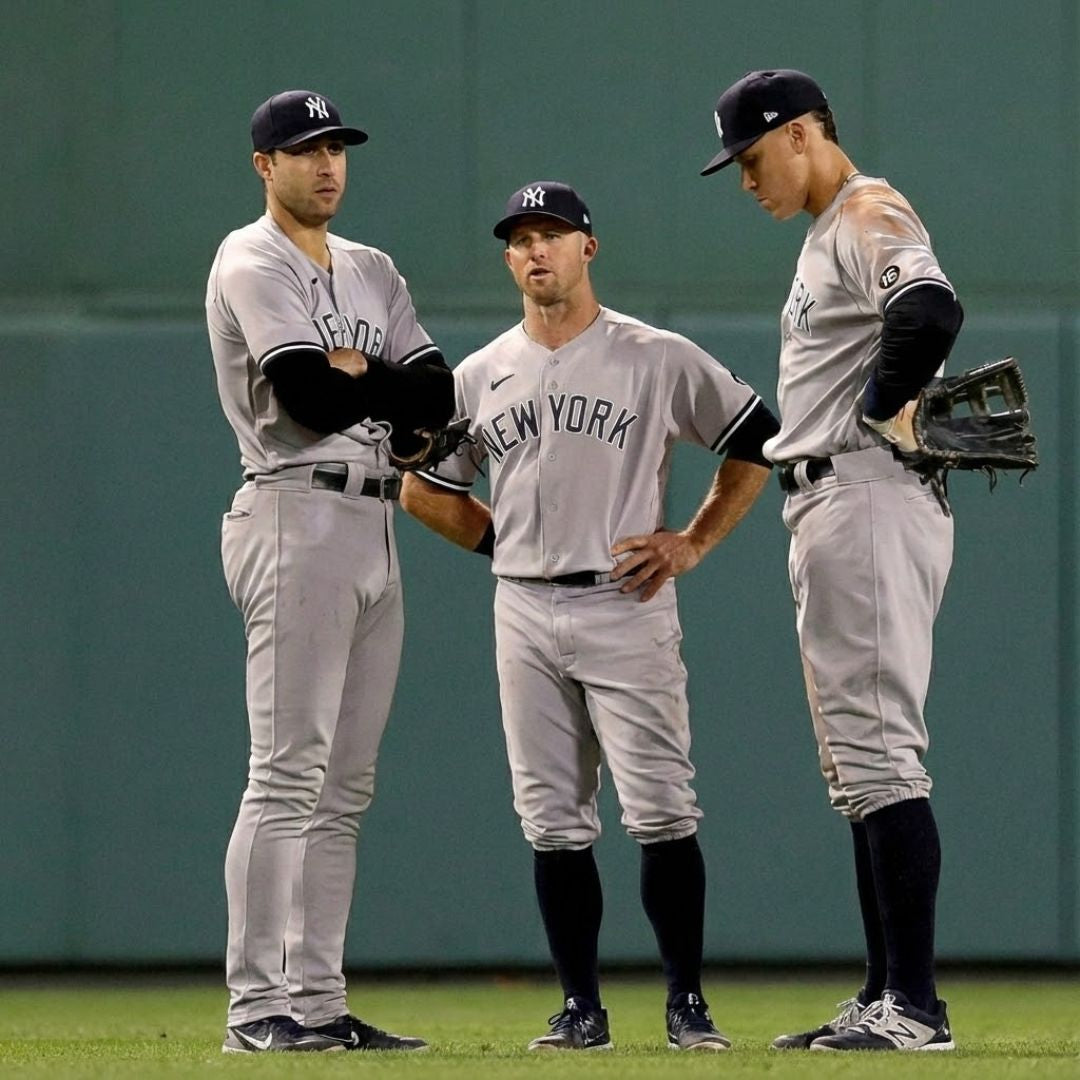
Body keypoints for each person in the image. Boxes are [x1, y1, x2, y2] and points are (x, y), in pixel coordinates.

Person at [400, 180, 779, 1052]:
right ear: (509, 259)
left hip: (625, 600)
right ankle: (581, 1009)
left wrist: (692, 541)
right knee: (551, 820)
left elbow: (757, 438)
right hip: (524, 606)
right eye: (521, 238)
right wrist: (506, 547)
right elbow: (423, 489)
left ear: (588, 247)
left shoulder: (654, 356)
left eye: (553, 233)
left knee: (662, 810)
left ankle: (687, 1004)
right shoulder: (479, 374)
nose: (537, 249)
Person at [701, 69, 963, 1052]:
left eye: (752, 157)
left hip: (865, 494)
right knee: (857, 765)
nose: (745, 180)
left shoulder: (865, 210)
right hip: (833, 501)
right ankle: (885, 990)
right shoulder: (827, 233)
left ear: (804, 133)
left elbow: (930, 310)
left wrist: (883, 406)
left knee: (882, 753)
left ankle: (915, 1008)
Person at [205, 88, 453, 1054]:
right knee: (286, 774)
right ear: (263, 165)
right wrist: (366, 385)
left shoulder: (372, 267)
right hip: (292, 510)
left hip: (375, 519)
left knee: (344, 787)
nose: (326, 165)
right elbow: (307, 398)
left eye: (337, 148)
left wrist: (366, 374)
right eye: (306, 149)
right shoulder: (250, 256)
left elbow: (438, 396)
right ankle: (254, 1007)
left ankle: (316, 1002)